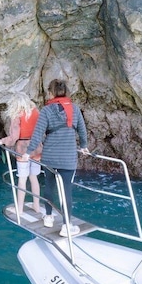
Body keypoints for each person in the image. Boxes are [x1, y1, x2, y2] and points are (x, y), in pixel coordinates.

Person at [21, 79, 89, 237]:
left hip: (50, 156)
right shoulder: (75, 109)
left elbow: (38, 134)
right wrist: (84, 146)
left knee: (49, 186)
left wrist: (28, 152)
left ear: (51, 93)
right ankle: (66, 225)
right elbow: (82, 130)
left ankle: (49, 217)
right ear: (66, 92)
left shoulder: (46, 110)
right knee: (66, 191)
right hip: (68, 156)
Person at [0, 93, 43, 216]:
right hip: (37, 148)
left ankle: (19, 209)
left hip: (23, 150)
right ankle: (36, 206)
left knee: (22, 180)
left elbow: (14, 137)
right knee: (34, 178)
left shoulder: (17, 115)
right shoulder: (36, 112)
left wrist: (2, 141)